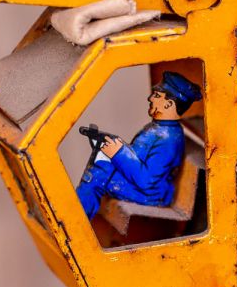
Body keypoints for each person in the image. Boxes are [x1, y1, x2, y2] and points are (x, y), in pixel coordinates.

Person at [76, 70, 202, 221]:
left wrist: (118, 152)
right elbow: (137, 154)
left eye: (156, 96)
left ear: (169, 104)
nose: (150, 98)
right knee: (100, 164)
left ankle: (76, 225)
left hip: (151, 195)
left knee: (96, 176)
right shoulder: (159, 129)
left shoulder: (168, 140)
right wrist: (108, 142)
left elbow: (146, 180)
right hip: (144, 185)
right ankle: (77, 218)